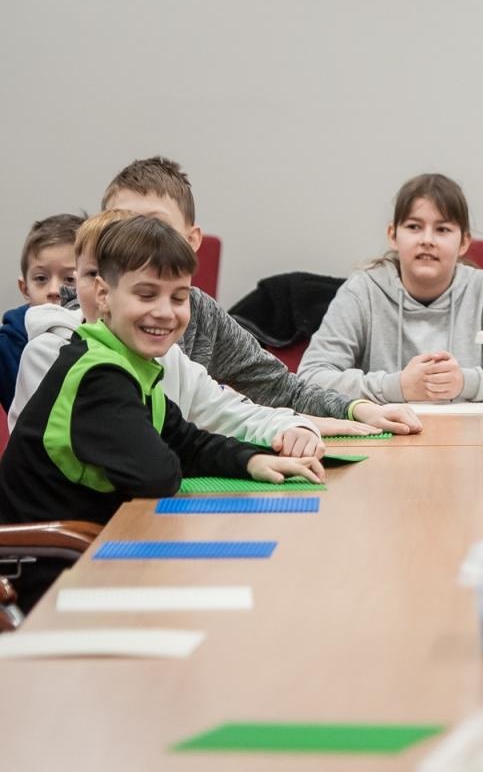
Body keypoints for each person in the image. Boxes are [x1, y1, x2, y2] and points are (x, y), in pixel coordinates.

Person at [0, 217, 322, 610]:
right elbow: (158, 474)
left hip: (97, 550)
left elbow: (185, 439)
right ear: (103, 294)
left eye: (178, 297)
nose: (165, 313)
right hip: (49, 569)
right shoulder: (97, 376)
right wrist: (171, 451)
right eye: (146, 294)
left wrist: (251, 459)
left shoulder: (130, 364)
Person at [99, 156, 419, 433]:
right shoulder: (78, 322)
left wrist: (358, 408)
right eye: (121, 226)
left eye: (156, 226)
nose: (139, 240)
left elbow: (278, 387)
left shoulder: (201, 314)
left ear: (192, 239)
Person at [10, 210, 324, 457]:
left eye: (177, 296)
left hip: (134, 513)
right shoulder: (51, 353)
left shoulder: (166, 357)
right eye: (91, 275)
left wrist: (293, 427)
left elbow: (232, 413)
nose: (162, 311)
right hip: (69, 529)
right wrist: (237, 457)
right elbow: (138, 458)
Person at [299, 173, 483, 403]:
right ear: (393, 235)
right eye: (414, 226)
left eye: (443, 229)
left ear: (464, 242)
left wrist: (465, 383)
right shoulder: (362, 291)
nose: (427, 240)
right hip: (383, 434)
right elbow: (309, 378)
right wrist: (397, 386)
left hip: (472, 435)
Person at [1, 214, 81, 410]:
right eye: (41, 278)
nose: (54, 290)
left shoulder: (109, 339)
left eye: (69, 279)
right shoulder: (5, 348)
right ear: (24, 288)